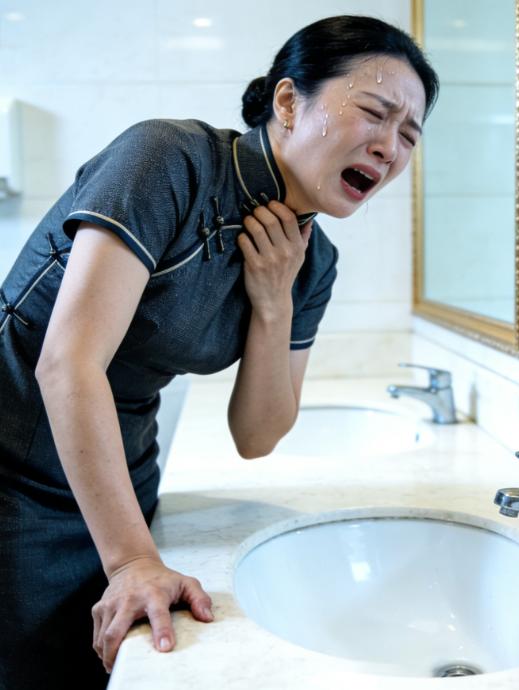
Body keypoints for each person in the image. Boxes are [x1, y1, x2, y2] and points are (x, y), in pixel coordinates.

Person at [0, 15, 438, 688]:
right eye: (375, 113)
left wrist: (274, 301)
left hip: (122, 483)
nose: (389, 148)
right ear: (288, 101)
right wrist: (130, 562)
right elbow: (67, 361)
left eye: (408, 135)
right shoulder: (167, 159)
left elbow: (257, 435)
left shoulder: (313, 262)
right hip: (15, 479)